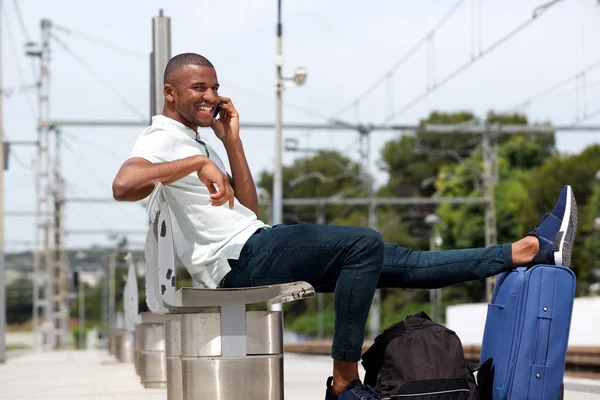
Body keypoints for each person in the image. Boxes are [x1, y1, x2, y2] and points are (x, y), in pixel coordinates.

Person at [112, 53, 578, 400]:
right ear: (171, 93)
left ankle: (528, 250)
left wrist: (229, 144)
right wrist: (196, 161)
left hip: (252, 241)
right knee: (363, 241)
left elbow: (246, 211)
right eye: (198, 88)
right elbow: (124, 184)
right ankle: (344, 379)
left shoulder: (197, 141)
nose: (210, 97)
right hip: (239, 258)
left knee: (401, 263)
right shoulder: (162, 138)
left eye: (214, 87)